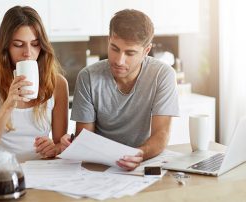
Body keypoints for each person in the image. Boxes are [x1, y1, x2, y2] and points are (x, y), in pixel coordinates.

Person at [61, 9, 179, 170]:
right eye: (114, 48)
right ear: (109, 40)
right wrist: (74, 143)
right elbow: (85, 138)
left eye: (130, 53)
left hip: (142, 161)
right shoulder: (88, 77)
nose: (119, 60)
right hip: (99, 164)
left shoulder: (163, 75)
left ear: (146, 51)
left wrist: (139, 154)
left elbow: (161, 134)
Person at [0, 6, 68, 162]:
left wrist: (54, 148)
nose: (28, 53)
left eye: (35, 44)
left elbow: (60, 147)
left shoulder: (58, 84)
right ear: (6, 46)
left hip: (42, 172)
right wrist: (8, 105)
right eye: (19, 45)